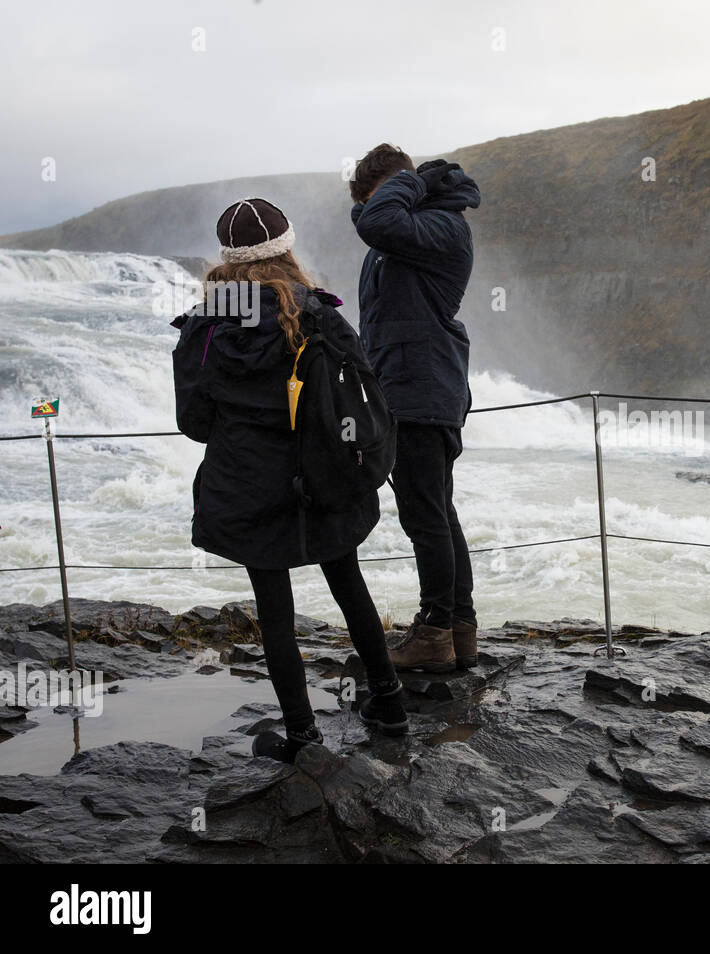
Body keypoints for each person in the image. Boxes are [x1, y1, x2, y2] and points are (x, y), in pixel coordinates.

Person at [173, 197, 408, 762]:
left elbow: (193, 422)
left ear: (226, 260)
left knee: (273, 609)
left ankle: (303, 734)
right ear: (285, 249)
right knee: (348, 582)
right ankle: (390, 706)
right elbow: (362, 393)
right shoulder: (320, 315)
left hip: (249, 488)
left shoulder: (204, 328)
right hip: (326, 480)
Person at [348, 144, 481, 672]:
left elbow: (376, 221)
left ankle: (432, 634)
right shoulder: (410, 234)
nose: (371, 208)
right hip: (408, 386)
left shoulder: (442, 227)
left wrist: (413, 180)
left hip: (421, 390)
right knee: (436, 515)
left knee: (425, 517)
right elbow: (374, 221)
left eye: (378, 196)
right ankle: (457, 629)